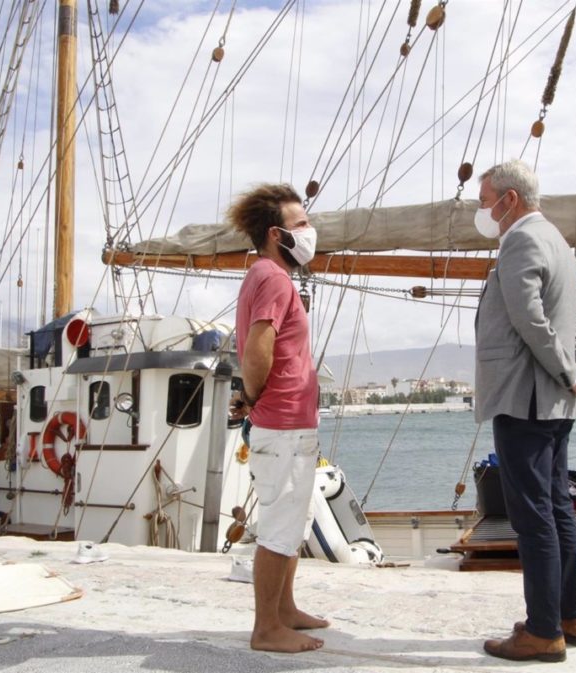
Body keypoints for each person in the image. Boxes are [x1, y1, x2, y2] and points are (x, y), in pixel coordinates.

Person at [473, 159, 576, 663]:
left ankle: (544, 630)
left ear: (509, 199)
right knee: (554, 509)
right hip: (553, 399)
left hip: (525, 396)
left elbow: (531, 319)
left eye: (485, 202)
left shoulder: (522, 240)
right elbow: (572, 318)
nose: (483, 212)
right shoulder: (559, 245)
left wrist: (571, 370)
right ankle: (568, 616)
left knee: (533, 518)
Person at [227, 183, 327, 653]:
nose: (309, 232)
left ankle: (284, 608)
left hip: (290, 423)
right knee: (280, 524)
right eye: (301, 224)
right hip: (283, 424)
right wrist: (254, 396)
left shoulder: (266, 275)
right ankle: (266, 627)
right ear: (275, 233)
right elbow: (257, 350)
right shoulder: (272, 277)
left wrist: (252, 399)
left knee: (294, 518)